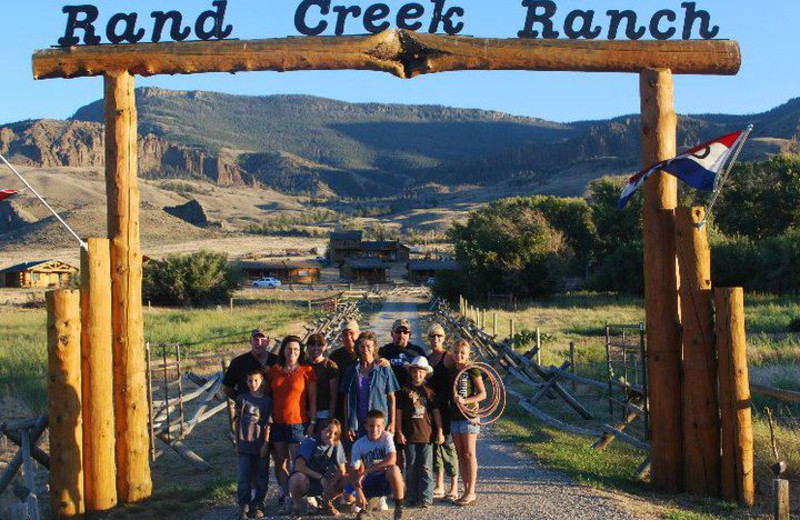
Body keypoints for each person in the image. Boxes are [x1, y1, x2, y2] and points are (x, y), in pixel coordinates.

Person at [268, 335, 318, 509]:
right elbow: (267, 395)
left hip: (298, 423)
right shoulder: (273, 371)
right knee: (281, 461)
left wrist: (312, 422)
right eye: (289, 348)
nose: (292, 352)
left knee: (299, 461)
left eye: (296, 349)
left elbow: (312, 399)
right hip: (277, 423)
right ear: (283, 350)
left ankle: (306, 493)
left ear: (300, 351)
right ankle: (285, 493)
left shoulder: (307, 371)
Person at [395, 356, 443, 508]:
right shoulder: (404, 390)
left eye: (421, 372)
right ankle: (411, 496)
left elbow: (436, 412)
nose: (418, 375)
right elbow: (399, 412)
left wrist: (440, 430)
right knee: (411, 466)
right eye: (415, 372)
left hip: (426, 435)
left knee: (426, 467)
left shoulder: (429, 392)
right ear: (411, 372)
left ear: (426, 373)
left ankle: (425, 497)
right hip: (409, 435)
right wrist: (398, 431)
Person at [444, 339, 486, 507]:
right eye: (456, 352)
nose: (459, 356)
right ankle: (465, 488)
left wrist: (466, 400)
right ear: (452, 353)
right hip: (454, 417)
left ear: (468, 354)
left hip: (469, 416)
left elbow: (482, 394)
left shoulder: (472, 370)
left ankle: (472, 491)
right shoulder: (451, 370)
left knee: (469, 453)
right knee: (460, 454)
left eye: (462, 353)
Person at [340, 332, 399, 441]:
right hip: (358, 424)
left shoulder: (384, 369)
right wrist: (347, 424)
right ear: (358, 348)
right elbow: (346, 400)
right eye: (362, 346)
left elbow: (392, 398)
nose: (365, 349)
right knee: (360, 456)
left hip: (380, 425)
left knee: (381, 456)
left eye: (368, 346)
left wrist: (392, 422)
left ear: (374, 348)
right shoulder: (351, 371)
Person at [348, 410, 405, 520]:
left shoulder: (387, 437)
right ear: (365, 426)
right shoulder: (358, 444)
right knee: (360, 513)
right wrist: (358, 491)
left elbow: (392, 459)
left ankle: (399, 508)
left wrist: (367, 470)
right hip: (369, 480)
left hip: (385, 479)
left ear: (383, 425)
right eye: (371, 426)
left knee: (394, 469)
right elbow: (353, 471)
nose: (374, 429)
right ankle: (367, 506)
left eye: (378, 426)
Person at [233, 366, 273, 520]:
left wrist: (265, 443)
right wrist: (237, 442)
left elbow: (268, 423)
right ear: (246, 381)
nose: (253, 383)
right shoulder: (242, 399)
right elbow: (237, 422)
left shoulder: (267, 400)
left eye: (256, 380)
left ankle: (258, 503)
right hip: (244, 443)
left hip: (260, 444)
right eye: (250, 380)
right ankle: (244, 504)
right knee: (244, 476)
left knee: (262, 475)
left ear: (261, 380)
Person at [288, 420, 348, 517]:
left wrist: (330, 484)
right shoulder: (311, 441)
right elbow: (298, 466)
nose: (332, 435)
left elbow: (342, 469)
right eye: (329, 431)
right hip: (306, 481)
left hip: (323, 482)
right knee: (297, 478)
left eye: (336, 433)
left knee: (346, 479)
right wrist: (321, 478)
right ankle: (296, 507)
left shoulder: (336, 443)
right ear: (321, 431)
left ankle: (326, 502)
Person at [426, 323, 459, 500]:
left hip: (445, 407)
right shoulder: (429, 358)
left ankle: (454, 486)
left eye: (439, 336)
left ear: (444, 338)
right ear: (429, 338)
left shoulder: (448, 358)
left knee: (447, 445)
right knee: (434, 447)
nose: (436, 339)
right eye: (433, 336)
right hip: (432, 408)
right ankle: (439, 484)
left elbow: (462, 372)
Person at [223, 329, 279, 400]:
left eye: (263, 340)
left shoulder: (277, 361)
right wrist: (242, 401)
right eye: (256, 340)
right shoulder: (238, 362)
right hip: (247, 410)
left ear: (268, 342)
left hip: (273, 408)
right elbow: (227, 389)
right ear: (250, 341)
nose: (259, 343)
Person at [379, 319, 427, 388]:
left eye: (405, 332)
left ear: (409, 335)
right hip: (391, 392)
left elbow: (426, 374)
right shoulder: (384, 351)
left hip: (412, 393)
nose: (401, 335)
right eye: (398, 331)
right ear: (392, 334)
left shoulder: (418, 352)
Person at [306, 333, 339, 432]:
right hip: (305, 413)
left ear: (324, 347)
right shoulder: (303, 364)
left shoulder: (330, 366)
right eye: (312, 345)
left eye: (319, 345)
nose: (315, 348)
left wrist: (331, 416)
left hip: (324, 413)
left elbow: (333, 395)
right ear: (307, 347)